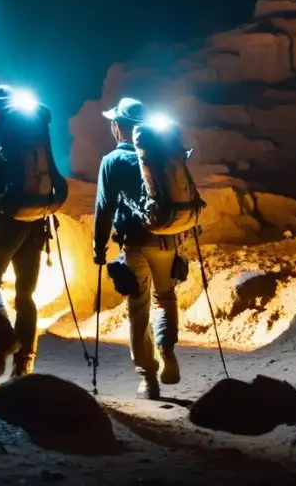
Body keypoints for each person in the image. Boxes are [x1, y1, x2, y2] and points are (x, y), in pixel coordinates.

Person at [0, 85, 68, 378]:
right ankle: (24, 363)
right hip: (36, 224)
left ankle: (6, 337)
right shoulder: (39, 144)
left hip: (3, 225)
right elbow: (56, 180)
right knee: (26, 295)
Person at [92, 97, 181, 400]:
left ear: (118, 126)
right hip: (167, 240)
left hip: (135, 243)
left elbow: (104, 208)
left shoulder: (112, 160)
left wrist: (99, 246)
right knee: (166, 297)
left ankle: (148, 378)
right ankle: (167, 350)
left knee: (138, 307)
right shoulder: (162, 154)